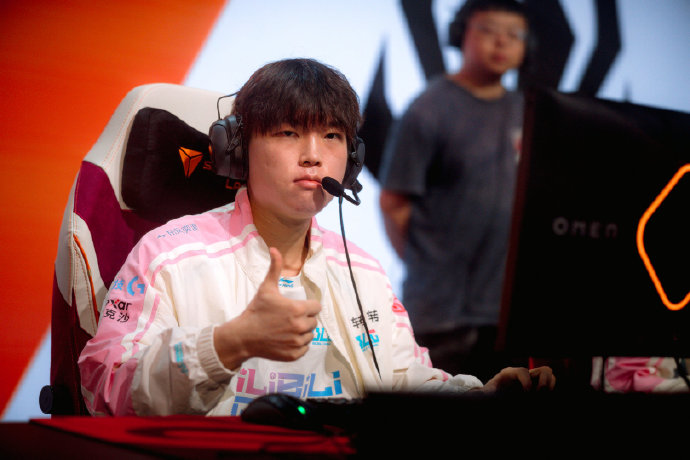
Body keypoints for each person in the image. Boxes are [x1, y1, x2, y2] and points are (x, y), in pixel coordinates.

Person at [78, 57, 553, 417]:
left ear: (354, 159)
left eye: (332, 136)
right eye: (288, 133)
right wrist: (228, 344)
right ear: (237, 151)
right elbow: (104, 387)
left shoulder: (363, 271)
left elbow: (405, 381)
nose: (313, 155)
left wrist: (481, 395)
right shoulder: (169, 254)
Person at [378, 0, 529, 382]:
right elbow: (394, 203)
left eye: (514, 35)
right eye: (489, 29)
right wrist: (430, 266)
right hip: (441, 316)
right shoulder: (429, 107)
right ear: (461, 33)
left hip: (505, 314)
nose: (502, 42)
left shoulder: (525, 111)